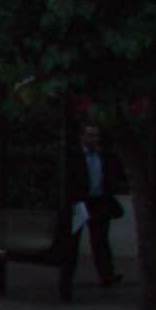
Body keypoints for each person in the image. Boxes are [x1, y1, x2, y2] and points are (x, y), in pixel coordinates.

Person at [56, 118, 122, 300]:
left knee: (100, 240)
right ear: (82, 136)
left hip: (98, 201)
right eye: (90, 135)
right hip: (79, 202)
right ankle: (66, 282)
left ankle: (106, 275)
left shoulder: (104, 156)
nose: (94, 139)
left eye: (96, 136)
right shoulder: (73, 156)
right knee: (72, 243)